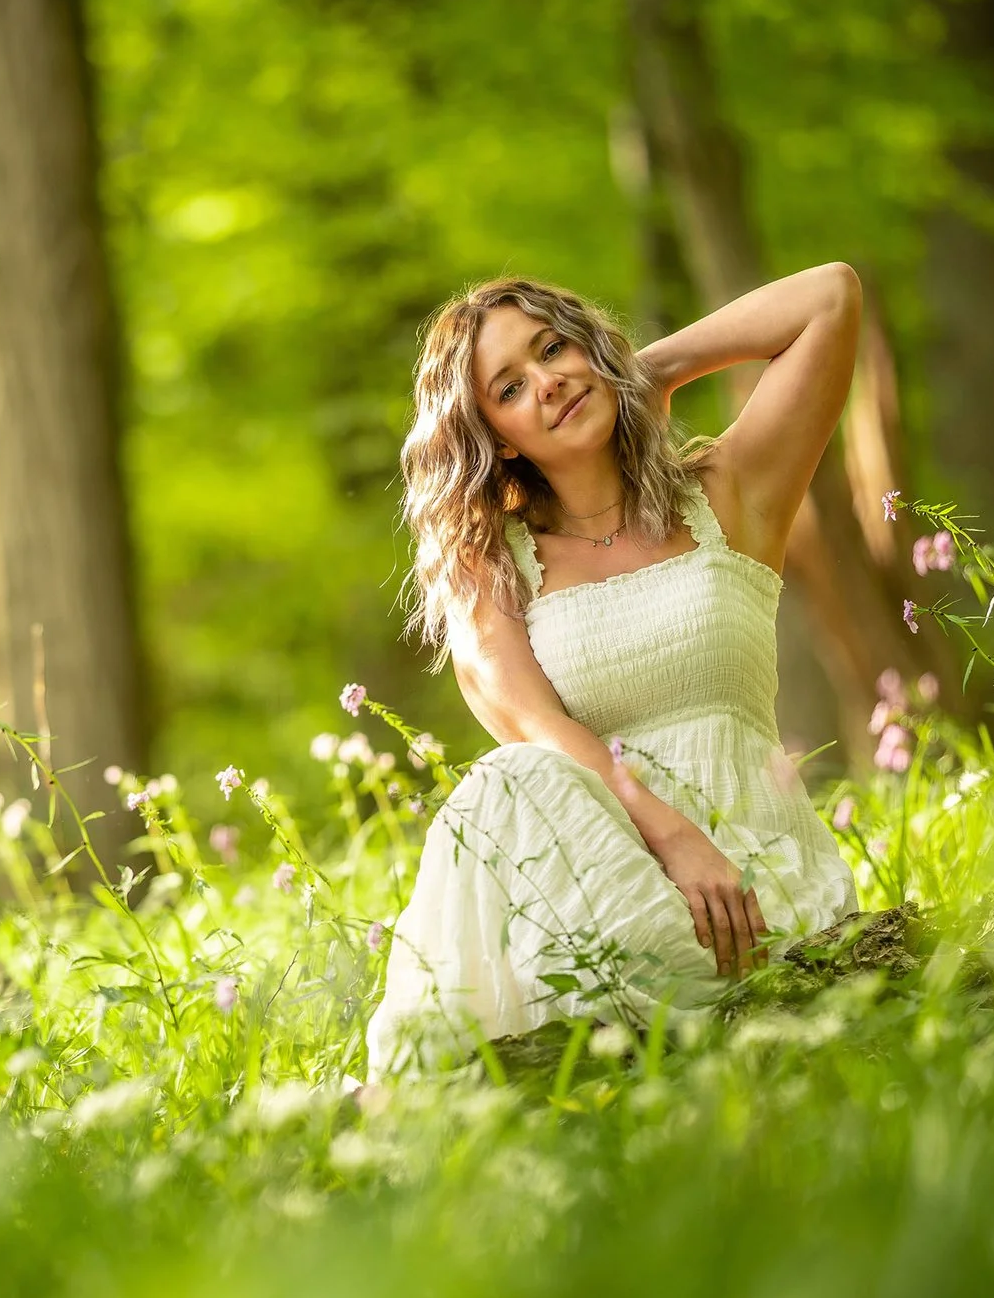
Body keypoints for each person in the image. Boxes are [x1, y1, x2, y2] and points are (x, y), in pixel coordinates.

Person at [364, 267, 862, 1077]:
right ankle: (421, 1103)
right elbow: (538, 731)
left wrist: (647, 370)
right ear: (496, 438)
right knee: (508, 779)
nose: (550, 381)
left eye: (554, 348)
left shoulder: (729, 496)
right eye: (512, 387)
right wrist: (674, 837)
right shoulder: (490, 569)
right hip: (609, 894)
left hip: (753, 891)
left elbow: (831, 296)